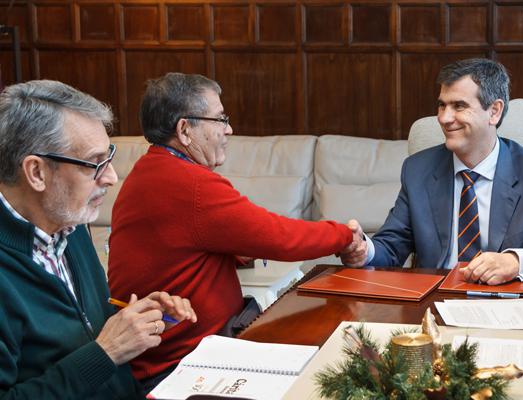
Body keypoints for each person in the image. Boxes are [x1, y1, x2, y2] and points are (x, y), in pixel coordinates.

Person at [107, 72, 361, 389]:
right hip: (184, 364)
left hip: (179, 351)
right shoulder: (191, 184)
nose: (229, 129)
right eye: (220, 119)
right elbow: (280, 237)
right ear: (184, 130)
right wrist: (346, 236)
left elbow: (178, 248)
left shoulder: (150, 170)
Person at [0, 80, 196, 399]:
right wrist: (107, 352)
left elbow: (84, 329)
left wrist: (136, 320)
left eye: (109, 157)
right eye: (95, 163)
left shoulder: (69, 222)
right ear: (36, 173)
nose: (111, 177)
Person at [341, 58, 523, 284]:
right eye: (442, 105)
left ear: (494, 111)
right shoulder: (418, 170)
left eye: (459, 106)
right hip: (434, 301)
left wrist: (514, 261)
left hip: (508, 302)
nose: (444, 118)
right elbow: (392, 246)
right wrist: (364, 250)